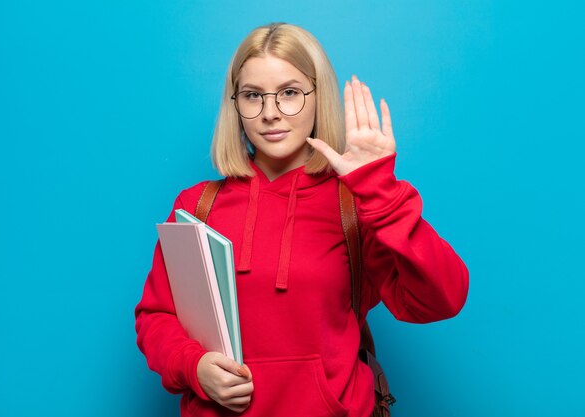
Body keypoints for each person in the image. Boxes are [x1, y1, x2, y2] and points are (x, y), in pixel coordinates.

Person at [134, 22, 469, 417]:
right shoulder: (197, 206)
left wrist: (380, 189)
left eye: (289, 93)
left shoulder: (354, 206)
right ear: (235, 104)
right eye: (253, 96)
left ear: (317, 96)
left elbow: (441, 299)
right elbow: (156, 317)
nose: (271, 113)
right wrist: (193, 366)